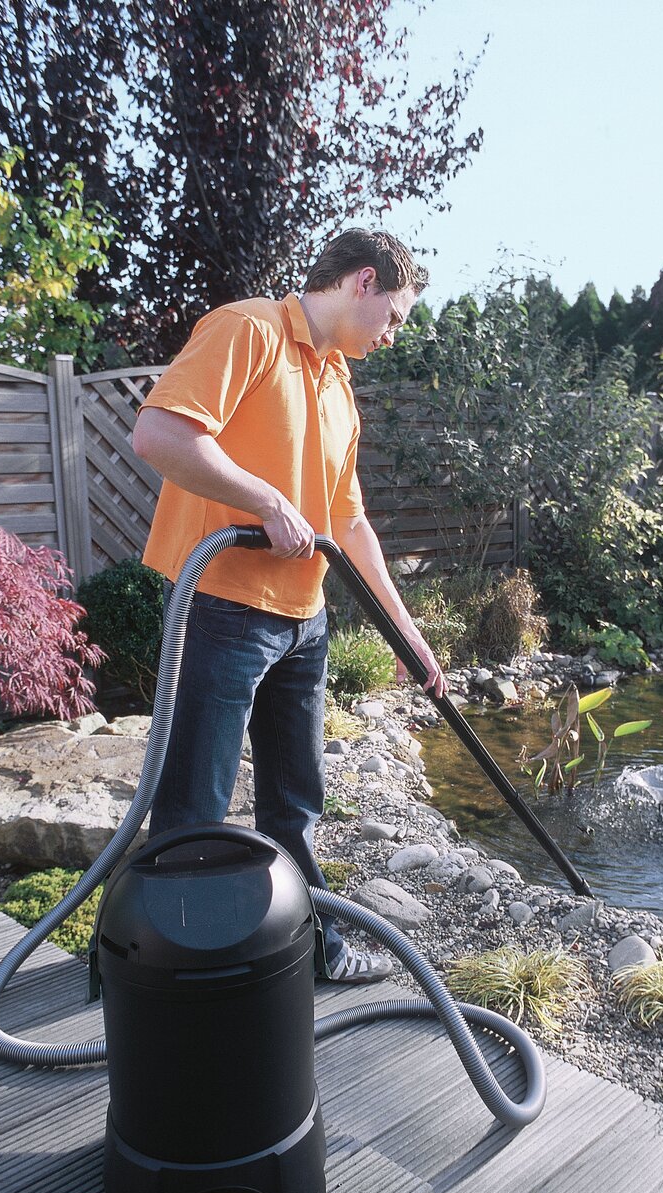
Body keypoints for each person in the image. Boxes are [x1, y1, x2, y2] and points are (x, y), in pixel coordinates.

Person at [132, 228, 448, 984]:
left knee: (295, 810)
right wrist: (264, 499)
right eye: (395, 315)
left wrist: (406, 633)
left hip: (305, 622)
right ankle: (177, 979)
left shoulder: (338, 384)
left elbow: (348, 523)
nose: (394, 334)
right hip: (221, 607)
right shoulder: (247, 329)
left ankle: (313, 957)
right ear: (362, 282)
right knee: (192, 812)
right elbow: (159, 433)